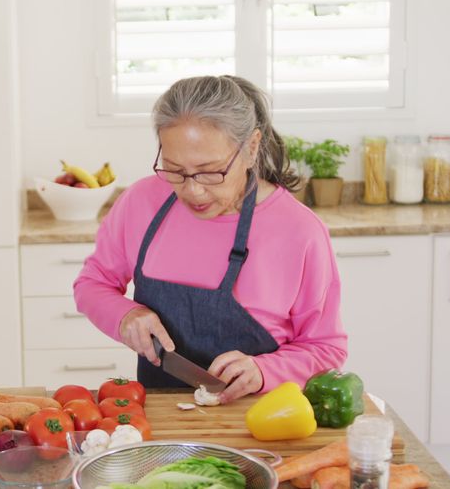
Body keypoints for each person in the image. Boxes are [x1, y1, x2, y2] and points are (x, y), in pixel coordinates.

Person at [73, 75, 346, 404]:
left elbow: (326, 348)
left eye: (209, 171)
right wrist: (125, 315)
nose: (193, 190)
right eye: (175, 169)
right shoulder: (142, 202)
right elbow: (92, 283)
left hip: (260, 421)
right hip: (161, 420)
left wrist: (265, 370)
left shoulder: (299, 230)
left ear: (251, 148)